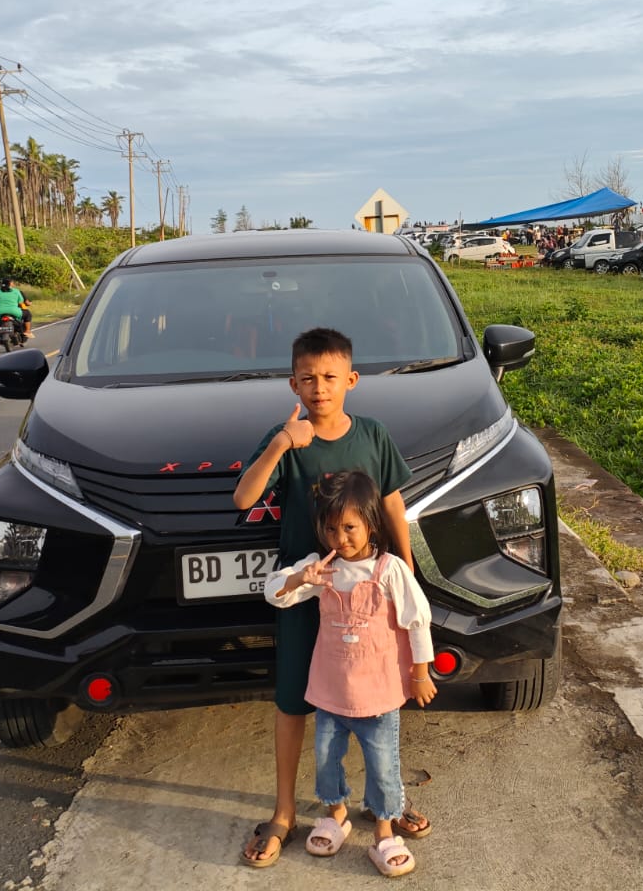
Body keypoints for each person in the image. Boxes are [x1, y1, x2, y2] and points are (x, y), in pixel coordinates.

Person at [232, 327, 424, 868]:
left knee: (379, 698)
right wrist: (279, 445)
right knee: (295, 700)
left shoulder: (371, 434)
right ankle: (286, 811)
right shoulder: (287, 438)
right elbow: (243, 497)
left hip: (365, 598)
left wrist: (406, 568)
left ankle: (385, 806)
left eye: (330, 378)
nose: (320, 388)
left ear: (351, 381)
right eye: (309, 379)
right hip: (306, 593)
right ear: (293, 383)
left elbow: (391, 503)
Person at [266, 471, 434, 876]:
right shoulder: (321, 568)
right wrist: (298, 577)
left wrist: (421, 672)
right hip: (329, 693)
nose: (340, 538)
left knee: (382, 765)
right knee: (326, 759)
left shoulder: (390, 569)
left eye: (350, 528)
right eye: (330, 528)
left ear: (371, 524)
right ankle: (335, 814)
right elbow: (274, 593)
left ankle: (383, 832)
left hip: (378, 695)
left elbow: (418, 620)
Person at [0, 277, 32, 341]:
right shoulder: (16, 291)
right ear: (10, 284)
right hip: (14, 311)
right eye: (12, 282)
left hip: (0, 312)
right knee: (28, 313)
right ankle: (28, 331)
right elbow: (21, 301)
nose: (13, 284)